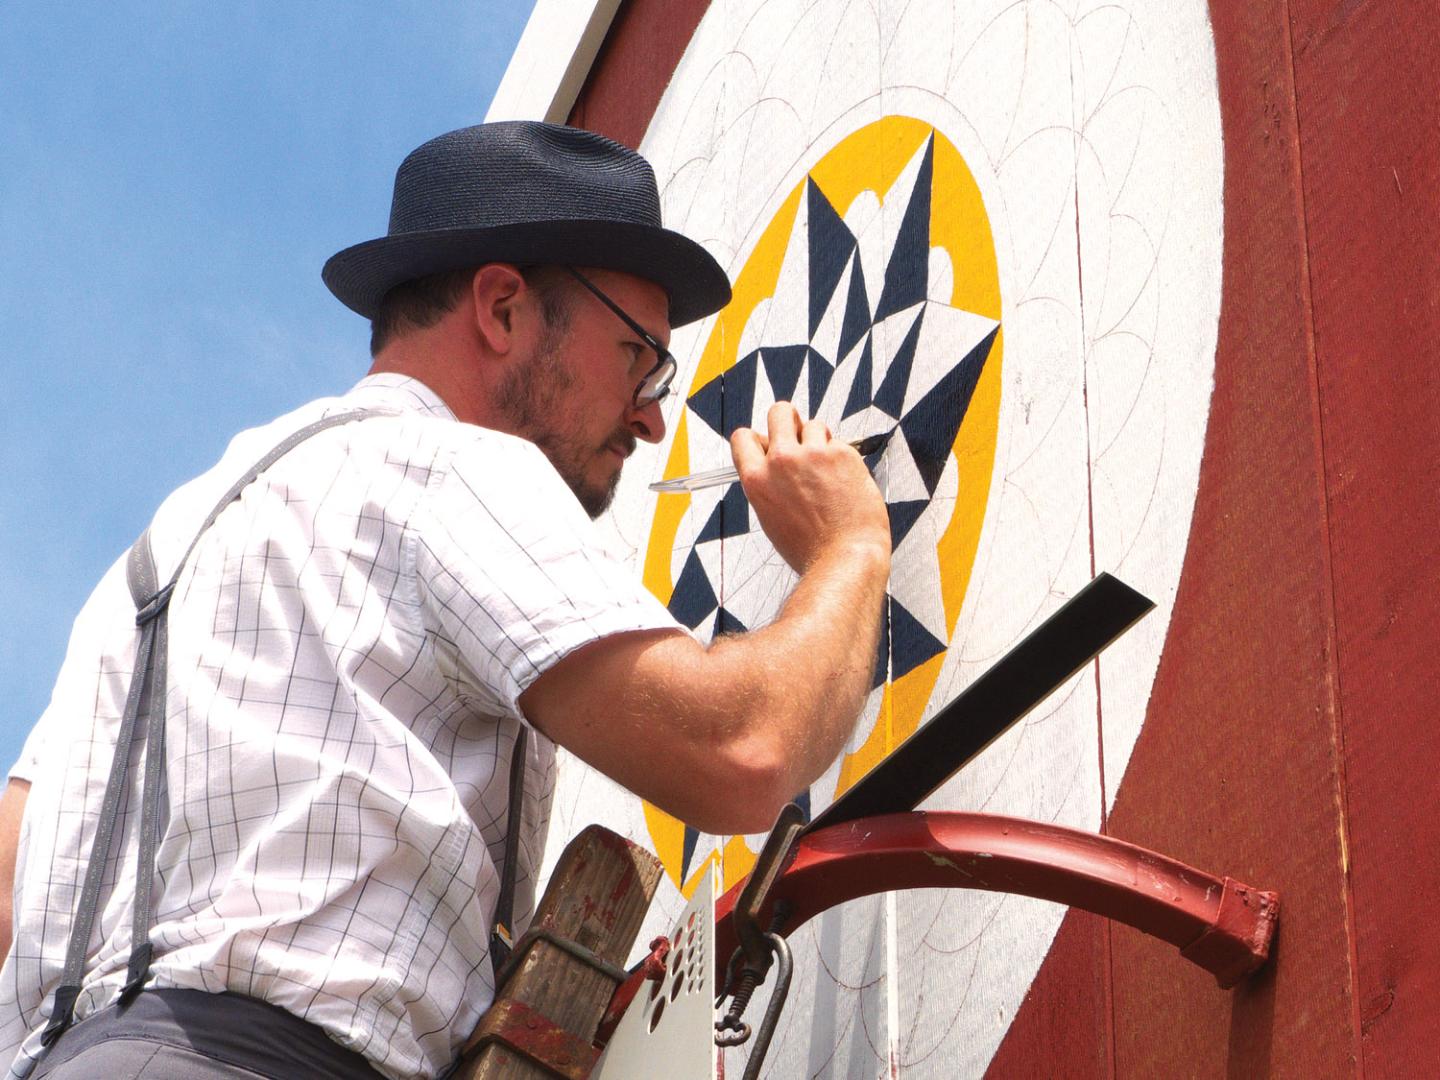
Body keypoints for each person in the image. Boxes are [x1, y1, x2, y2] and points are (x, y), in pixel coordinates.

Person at [0, 122, 890, 1079]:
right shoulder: (447, 465)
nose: (651, 412)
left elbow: (10, 895)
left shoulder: (160, 555)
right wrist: (849, 548)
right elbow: (739, 751)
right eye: (638, 354)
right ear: (503, 308)